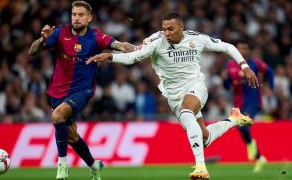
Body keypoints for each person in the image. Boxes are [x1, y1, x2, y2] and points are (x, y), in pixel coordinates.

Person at [86, 12, 258, 180]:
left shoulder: (196, 38)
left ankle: (201, 168)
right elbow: (132, 58)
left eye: (171, 29)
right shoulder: (156, 42)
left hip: (195, 86)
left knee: (186, 111)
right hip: (174, 96)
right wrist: (111, 56)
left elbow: (227, 47)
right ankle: (234, 120)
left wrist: (245, 66)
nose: (166, 33)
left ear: (181, 27)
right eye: (164, 29)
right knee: (204, 138)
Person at [28, 1, 134, 179]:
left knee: (57, 116)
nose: (76, 18)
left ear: (89, 18)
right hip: (57, 91)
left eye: (80, 15)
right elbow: (32, 52)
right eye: (74, 14)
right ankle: (95, 166)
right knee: (72, 137)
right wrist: (42, 39)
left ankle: (62, 165)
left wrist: (134, 48)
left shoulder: (96, 36)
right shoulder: (60, 32)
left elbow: (119, 45)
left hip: (82, 90)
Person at [222, 40, 274, 172]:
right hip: (238, 104)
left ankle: (252, 147)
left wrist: (270, 88)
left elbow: (270, 72)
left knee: (243, 125)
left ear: (248, 50)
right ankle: (259, 157)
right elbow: (227, 86)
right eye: (239, 48)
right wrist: (225, 79)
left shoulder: (254, 63)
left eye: (244, 48)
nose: (242, 51)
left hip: (253, 102)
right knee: (241, 128)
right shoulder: (230, 65)